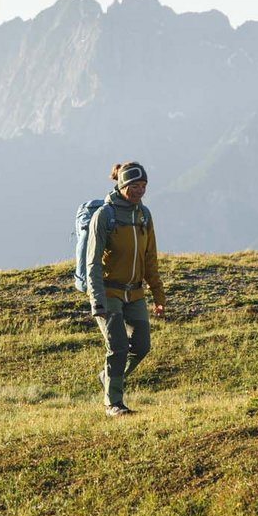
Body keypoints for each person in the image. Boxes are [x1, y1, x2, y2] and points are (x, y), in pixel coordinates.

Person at [84, 161, 165, 416]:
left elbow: (150, 257)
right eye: (134, 186)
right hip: (109, 292)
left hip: (135, 292)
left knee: (141, 346)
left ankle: (109, 377)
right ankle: (114, 404)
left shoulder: (144, 215)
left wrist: (158, 294)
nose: (139, 191)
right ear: (121, 186)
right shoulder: (105, 216)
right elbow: (93, 262)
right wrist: (96, 300)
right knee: (118, 347)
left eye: (143, 186)